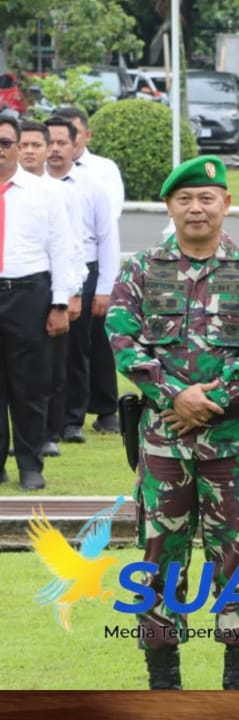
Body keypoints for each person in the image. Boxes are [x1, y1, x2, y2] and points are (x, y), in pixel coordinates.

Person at [106, 155, 239, 689]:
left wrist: (211, 401)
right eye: (184, 199)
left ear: (226, 203)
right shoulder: (141, 269)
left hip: (232, 444)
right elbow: (122, 337)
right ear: (169, 206)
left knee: (237, 557)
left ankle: (238, 684)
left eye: (207, 198)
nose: (196, 208)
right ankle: (164, 683)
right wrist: (173, 395)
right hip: (164, 444)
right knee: (159, 558)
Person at [0, 114, 79, 491]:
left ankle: (30, 464)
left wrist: (60, 302)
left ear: (18, 147)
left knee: (30, 386)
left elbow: (62, 248)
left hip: (28, 293)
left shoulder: (44, 192)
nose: (0, 150)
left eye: (5, 143)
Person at [15, 119, 88, 460]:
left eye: (36, 145)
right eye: (22, 145)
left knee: (51, 367)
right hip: (14, 288)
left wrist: (72, 292)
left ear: (46, 150)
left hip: (49, 288)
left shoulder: (59, 192)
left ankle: (49, 433)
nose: (29, 151)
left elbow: (72, 246)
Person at [53, 106, 124, 437]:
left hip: (88, 268)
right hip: (46, 269)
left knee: (89, 344)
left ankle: (89, 413)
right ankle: (54, 417)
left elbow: (108, 233)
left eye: (63, 141)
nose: (56, 148)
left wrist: (106, 286)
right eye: (50, 141)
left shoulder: (97, 176)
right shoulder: (35, 181)